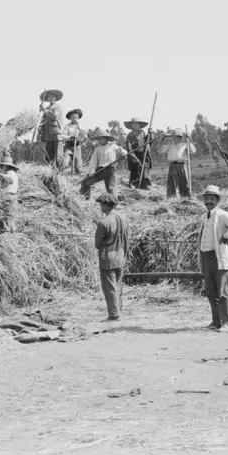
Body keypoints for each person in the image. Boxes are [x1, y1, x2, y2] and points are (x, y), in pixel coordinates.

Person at [197, 185, 228, 331]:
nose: (209, 202)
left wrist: (227, 236)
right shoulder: (205, 216)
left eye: (212, 199)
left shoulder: (222, 215)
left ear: (217, 200)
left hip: (218, 257)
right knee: (211, 291)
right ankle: (216, 322)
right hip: (206, 257)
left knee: (223, 291)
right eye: (207, 199)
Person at [94, 192, 129, 320]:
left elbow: (97, 243)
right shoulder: (124, 219)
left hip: (108, 258)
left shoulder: (103, 222)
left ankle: (114, 315)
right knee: (118, 286)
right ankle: (118, 310)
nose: (100, 207)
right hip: (121, 256)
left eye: (101, 204)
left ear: (104, 205)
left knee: (109, 287)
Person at [81, 128, 128, 199]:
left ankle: (113, 202)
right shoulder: (97, 149)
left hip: (110, 170)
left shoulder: (113, 146)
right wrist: (92, 171)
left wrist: (123, 154)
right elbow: (93, 161)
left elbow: (123, 151)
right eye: (99, 139)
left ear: (106, 139)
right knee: (86, 182)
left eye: (102, 138)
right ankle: (86, 198)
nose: (100, 140)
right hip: (100, 170)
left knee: (111, 188)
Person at [157, 128, 196, 198]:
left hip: (181, 165)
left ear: (181, 138)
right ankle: (171, 198)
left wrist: (189, 140)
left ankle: (185, 198)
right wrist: (162, 139)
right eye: (173, 138)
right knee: (172, 183)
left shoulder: (185, 145)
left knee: (183, 182)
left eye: (177, 137)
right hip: (172, 166)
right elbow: (160, 150)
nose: (175, 139)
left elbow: (193, 151)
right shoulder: (170, 146)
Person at [37, 89, 65, 167]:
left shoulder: (57, 107)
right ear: (48, 99)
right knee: (49, 156)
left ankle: (59, 172)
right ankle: (51, 171)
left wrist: (44, 110)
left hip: (56, 133)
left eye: (53, 97)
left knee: (58, 155)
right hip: (48, 135)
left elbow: (54, 116)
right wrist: (39, 128)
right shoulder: (46, 108)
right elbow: (42, 121)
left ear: (55, 98)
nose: (51, 99)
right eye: (49, 97)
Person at [124, 116, 151, 189]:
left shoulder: (143, 133)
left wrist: (150, 135)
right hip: (134, 156)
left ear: (140, 125)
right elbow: (129, 149)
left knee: (144, 172)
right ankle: (134, 188)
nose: (135, 125)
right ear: (131, 125)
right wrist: (136, 159)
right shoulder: (130, 136)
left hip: (143, 155)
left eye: (137, 124)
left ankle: (145, 187)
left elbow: (148, 142)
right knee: (135, 173)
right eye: (134, 124)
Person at [0, 156, 19, 232]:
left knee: (6, 215)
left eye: (2, 166)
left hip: (8, 196)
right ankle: (12, 231)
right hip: (13, 196)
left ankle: (6, 231)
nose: (2, 167)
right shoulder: (12, 173)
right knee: (11, 215)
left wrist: (0, 175)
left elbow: (10, 180)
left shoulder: (10, 172)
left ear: (6, 166)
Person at [61, 109, 87, 174]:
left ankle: (77, 176)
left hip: (77, 146)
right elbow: (63, 135)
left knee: (78, 164)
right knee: (65, 162)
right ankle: (61, 174)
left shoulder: (80, 127)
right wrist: (70, 137)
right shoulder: (67, 126)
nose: (75, 119)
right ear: (70, 118)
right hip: (69, 146)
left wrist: (80, 132)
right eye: (73, 117)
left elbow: (85, 136)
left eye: (76, 117)